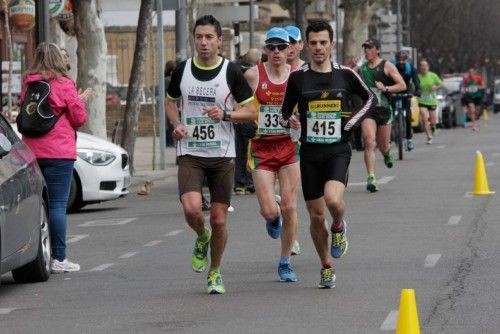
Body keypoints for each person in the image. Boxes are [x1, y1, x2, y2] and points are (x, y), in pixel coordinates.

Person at [165, 15, 256, 294]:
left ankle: (215, 272)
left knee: (218, 218)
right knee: (192, 209)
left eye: (209, 37)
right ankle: (201, 236)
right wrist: (176, 124)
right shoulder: (182, 70)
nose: (203, 43)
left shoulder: (231, 72)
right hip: (191, 152)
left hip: (222, 154)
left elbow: (252, 112)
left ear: (219, 40)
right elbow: (170, 102)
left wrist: (226, 115)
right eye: (199, 37)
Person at [280, 20, 374, 288]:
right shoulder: (298, 78)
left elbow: (369, 99)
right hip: (310, 152)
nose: (319, 48)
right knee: (316, 215)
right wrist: (292, 120)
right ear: (306, 46)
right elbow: (286, 111)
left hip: (337, 150)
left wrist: (350, 123)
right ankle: (326, 265)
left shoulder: (345, 74)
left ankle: (340, 225)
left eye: (324, 42)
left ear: (332, 44)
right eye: (314, 43)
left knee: (333, 201)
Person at [19, 42, 92, 273]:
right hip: (59, 152)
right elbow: (78, 118)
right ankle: (59, 258)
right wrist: (80, 100)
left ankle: (33, 255)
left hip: (31, 152)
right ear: (58, 60)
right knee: (58, 205)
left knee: (36, 205)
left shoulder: (28, 82)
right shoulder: (64, 83)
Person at [244, 27, 300, 282]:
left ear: (290, 49)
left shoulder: (298, 76)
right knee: (270, 211)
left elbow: (309, 107)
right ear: (265, 49)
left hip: (289, 147)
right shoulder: (253, 75)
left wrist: (300, 120)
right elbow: (237, 105)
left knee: (289, 206)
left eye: (282, 47)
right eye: (272, 47)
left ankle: (285, 261)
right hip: (261, 149)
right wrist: (243, 119)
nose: (277, 52)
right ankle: (272, 216)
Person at [358, 38, 406, 192]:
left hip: (384, 109)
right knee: (369, 141)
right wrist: (353, 67)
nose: (366, 50)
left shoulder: (386, 66)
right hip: (368, 109)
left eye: (370, 48)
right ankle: (371, 177)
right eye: (365, 48)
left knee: (383, 145)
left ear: (377, 50)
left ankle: (386, 153)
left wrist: (385, 88)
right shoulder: (363, 67)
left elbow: (402, 85)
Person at [233, 48, 261, 195]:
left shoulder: (237, 70)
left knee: (239, 152)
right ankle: (250, 182)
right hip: (250, 116)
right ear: (258, 61)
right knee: (251, 149)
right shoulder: (254, 74)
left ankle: (239, 184)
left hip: (238, 115)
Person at [394, 50, 421, 150]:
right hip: (394, 91)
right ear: (396, 60)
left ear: (406, 60)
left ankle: (409, 139)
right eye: (399, 60)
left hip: (406, 91)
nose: (401, 61)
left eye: (403, 60)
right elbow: (386, 79)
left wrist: (418, 90)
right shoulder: (392, 68)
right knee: (390, 114)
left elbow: (416, 80)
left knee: (408, 116)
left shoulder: (410, 68)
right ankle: (390, 136)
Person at [417, 59, 442, 144]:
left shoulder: (433, 75)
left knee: (433, 120)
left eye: (425, 66)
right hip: (422, 100)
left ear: (428, 67)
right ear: (420, 68)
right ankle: (429, 136)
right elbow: (414, 87)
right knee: (424, 118)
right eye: (422, 66)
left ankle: (434, 127)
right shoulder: (418, 77)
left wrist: (436, 87)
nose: (424, 67)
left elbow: (441, 84)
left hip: (431, 100)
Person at [461, 67, 484, 131]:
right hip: (469, 96)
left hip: (477, 96)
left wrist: (479, 87)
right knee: (472, 110)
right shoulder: (466, 79)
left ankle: (474, 118)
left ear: (474, 72)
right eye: (469, 72)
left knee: (477, 111)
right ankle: (474, 125)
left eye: (472, 72)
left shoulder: (478, 78)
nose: (470, 73)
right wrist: (463, 90)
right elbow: (464, 86)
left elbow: (483, 86)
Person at [164, 60, 176, 147]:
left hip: (166, 104)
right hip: (171, 103)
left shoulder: (165, 80)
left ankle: (169, 143)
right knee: (171, 123)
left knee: (168, 125)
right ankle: (170, 143)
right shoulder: (170, 80)